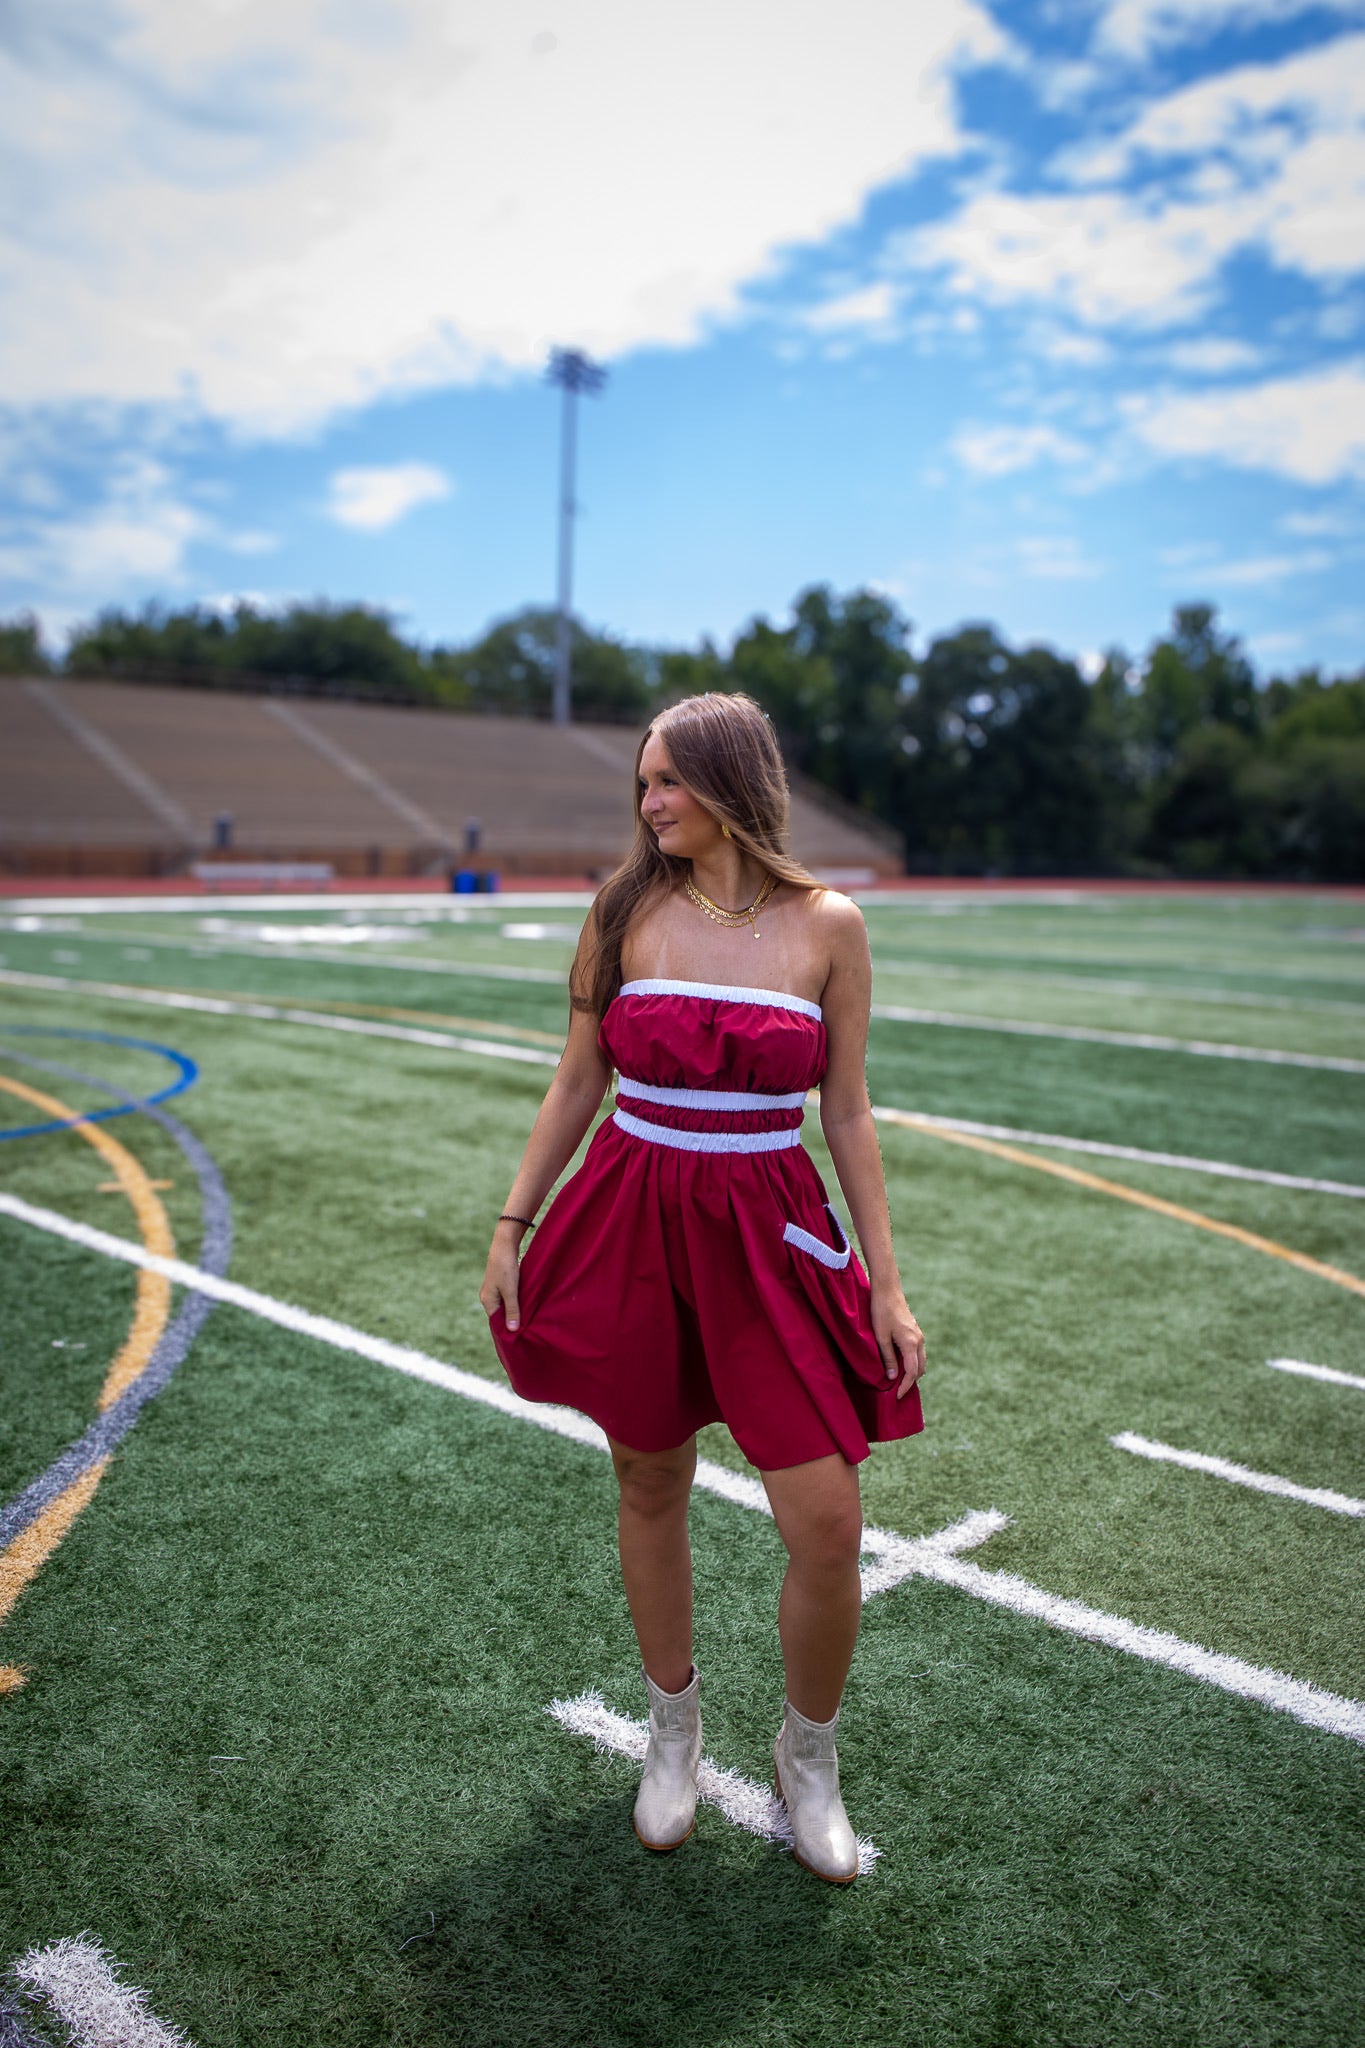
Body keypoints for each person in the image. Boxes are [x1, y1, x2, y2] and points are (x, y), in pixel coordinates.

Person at [479, 692, 926, 1884]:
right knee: (648, 1473)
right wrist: (515, 1216)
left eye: (669, 779)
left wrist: (888, 1284)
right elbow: (577, 1078)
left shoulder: (829, 925)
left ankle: (808, 1754)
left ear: (732, 778)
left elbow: (847, 1109)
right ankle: (672, 1730)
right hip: (636, 1214)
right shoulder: (624, 907)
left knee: (828, 1523)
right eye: (643, 782)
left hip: (772, 1234)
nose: (650, 801)